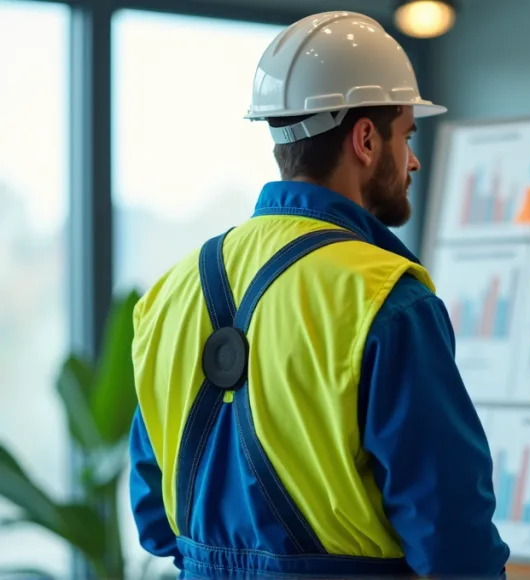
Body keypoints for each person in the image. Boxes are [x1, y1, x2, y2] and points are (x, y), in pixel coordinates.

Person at [127, 11, 510, 579]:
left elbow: (154, 521)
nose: (412, 161)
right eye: (406, 136)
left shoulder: (168, 294)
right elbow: (452, 539)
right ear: (364, 138)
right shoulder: (385, 300)